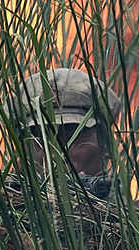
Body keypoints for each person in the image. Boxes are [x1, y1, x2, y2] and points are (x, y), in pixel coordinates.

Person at [11, 67, 120, 200]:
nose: (56, 155)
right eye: (42, 137)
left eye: (73, 134)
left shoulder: (138, 218)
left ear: (105, 144)